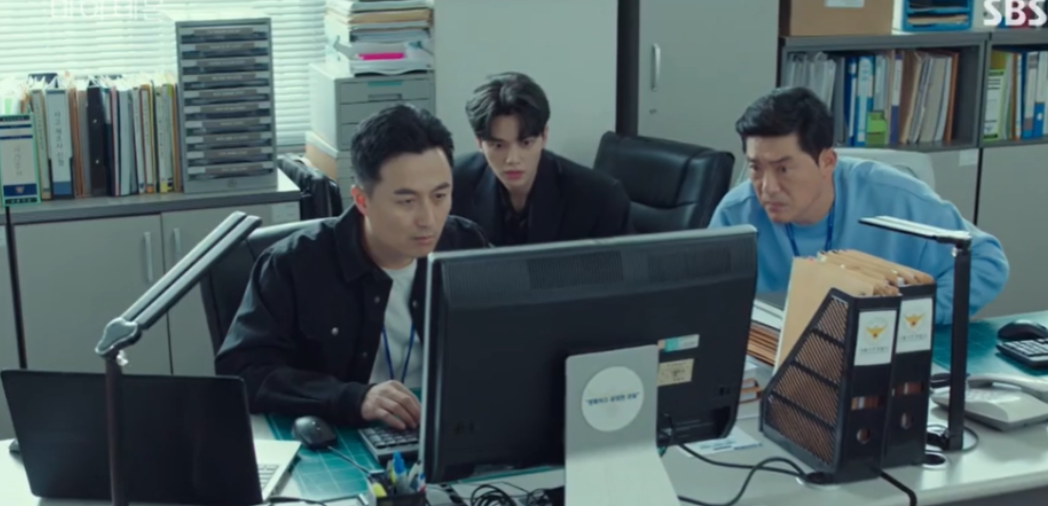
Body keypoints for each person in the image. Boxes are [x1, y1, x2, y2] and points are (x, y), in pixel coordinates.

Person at [215, 104, 488, 430]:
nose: (428, 219)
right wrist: (352, 398)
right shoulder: (294, 264)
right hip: (341, 436)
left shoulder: (465, 245)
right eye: (407, 201)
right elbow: (244, 371)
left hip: (446, 425)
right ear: (361, 200)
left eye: (439, 196)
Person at [710, 87, 1009, 324]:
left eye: (783, 169)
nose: (768, 187)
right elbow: (706, 302)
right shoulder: (736, 214)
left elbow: (985, 260)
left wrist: (914, 318)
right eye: (756, 168)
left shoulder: (893, 196)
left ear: (827, 161)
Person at [451, 72, 632, 246]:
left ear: (544, 136)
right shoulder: (452, 186)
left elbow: (626, 267)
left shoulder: (599, 199)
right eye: (498, 146)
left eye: (526, 143)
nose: (512, 159)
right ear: (479, 143)